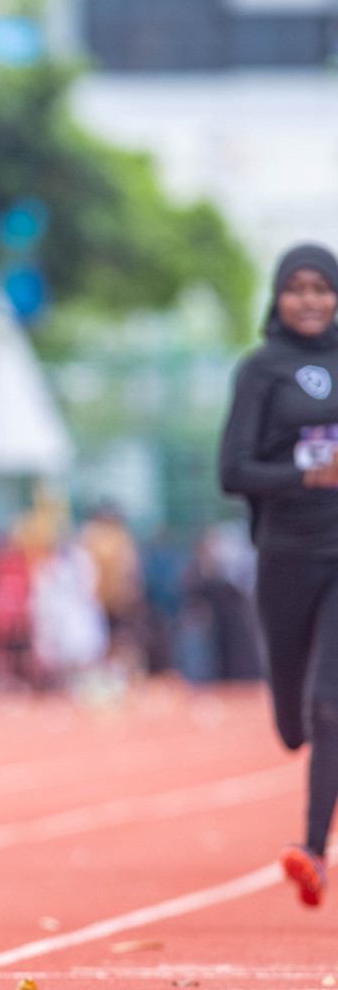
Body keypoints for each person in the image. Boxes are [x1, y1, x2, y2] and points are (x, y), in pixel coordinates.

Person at [219, 243, 338, 909]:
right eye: (297, 288)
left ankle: (313, 850)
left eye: (323, 288)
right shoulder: (261, 370)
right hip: (284, 556)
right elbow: (231, 473)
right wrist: (305, 476)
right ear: (277, 298)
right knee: (296, 723)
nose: (311, 300)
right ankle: (304, 734)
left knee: (332, 706)